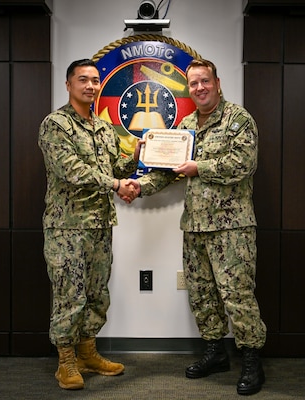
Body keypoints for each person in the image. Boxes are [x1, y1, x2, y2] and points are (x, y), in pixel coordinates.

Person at [123, 58, 267, 396]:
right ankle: (216, 353)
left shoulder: (238, 119)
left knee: (237, 296)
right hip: (195, 227)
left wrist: (198, 167)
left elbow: (243, 164)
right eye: (193, 83)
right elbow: (165, 171)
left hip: (231, 227)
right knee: (203, 296)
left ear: (217, 83)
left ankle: (251, 359)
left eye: (205, 81)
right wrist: (138, 186)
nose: (199, 88)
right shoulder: (185, 126)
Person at [38, 59, 140, 390]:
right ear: (68, 85)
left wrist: (137, 157)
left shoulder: (104, 128)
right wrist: (115, 185)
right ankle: (66, 362)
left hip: (99, 225)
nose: (90, 86)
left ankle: (87, 352)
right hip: (67, 227)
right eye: (82, 80)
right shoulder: (55, 125)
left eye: (95, 81)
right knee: (70, 294)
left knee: (97, 294)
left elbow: (116, 170)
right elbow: (72, 170)